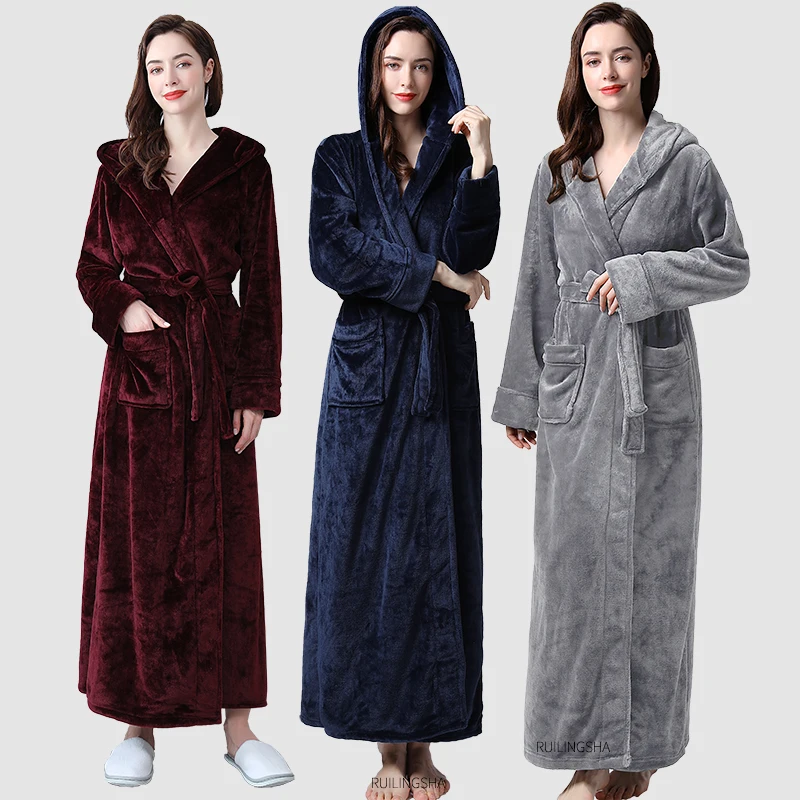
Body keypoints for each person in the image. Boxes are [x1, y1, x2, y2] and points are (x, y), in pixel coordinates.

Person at [492, 3, 749, 799]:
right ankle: (585, 754)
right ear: (580, 71)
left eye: (622, 55)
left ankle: (634, 756)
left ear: (645, 65)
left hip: (654, 386)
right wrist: (522, 395)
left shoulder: (685, 160)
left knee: (655, 569)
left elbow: (732, 262)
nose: (608, 71)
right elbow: (535, 285)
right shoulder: (557, 171)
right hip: (575, 387)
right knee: (570, 570)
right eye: (593, 58)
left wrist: (645, 277)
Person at [75, 14, 292, 788]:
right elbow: (91, 269)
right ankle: (139, 725)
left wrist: (256, 391)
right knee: (139, 546)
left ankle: (239, 728)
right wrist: (126, 310)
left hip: (217, 371)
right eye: (155, 66)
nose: (168, 77)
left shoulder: (245, 166)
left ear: (208, 69)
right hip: (139, 379)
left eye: (182, 63)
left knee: (228, 548)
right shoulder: (120, 167)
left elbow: (262, 285)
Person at [300, 6, 500, 799]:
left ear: (438, 72)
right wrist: (435, 276)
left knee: (435, 549)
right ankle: (387, 749)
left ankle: (426, 745)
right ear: (373, 72)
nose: (407, 80)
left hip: (440, 370)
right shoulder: (340, 157)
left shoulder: (454, 159)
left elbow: (475, 250)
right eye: (393, 65)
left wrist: (481, 160)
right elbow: (333, 253)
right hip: (367, 373)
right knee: (364, 554)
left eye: (420, 65)